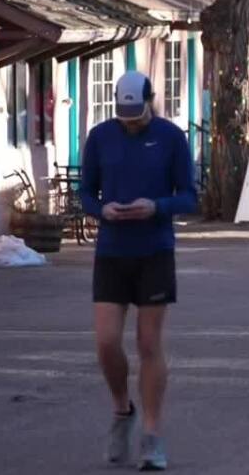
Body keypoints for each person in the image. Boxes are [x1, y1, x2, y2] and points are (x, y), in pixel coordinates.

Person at [80, 70, 196, 471]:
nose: (131, 121)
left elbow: (189, 196)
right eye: (125, 115)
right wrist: (102, 210)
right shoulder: (100, 136)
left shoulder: (171, 137)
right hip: (112, 251)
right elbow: (85, 192)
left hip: (154, 251)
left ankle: (151, 435)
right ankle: (121, 410)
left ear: (151, 100)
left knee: (149, 343)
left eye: (138, 114)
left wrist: (157, 207)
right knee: (107, 342)